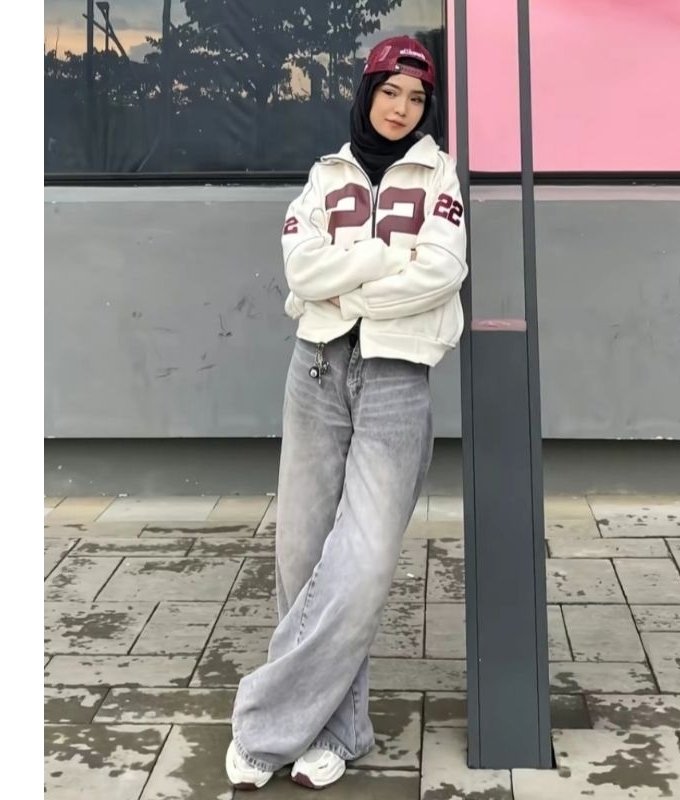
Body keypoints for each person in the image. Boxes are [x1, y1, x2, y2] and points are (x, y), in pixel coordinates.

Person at [226, 35, 468, 791]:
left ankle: (264, 727)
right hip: (316, 370)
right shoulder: (325, 173)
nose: (401, 109)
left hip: (396, 377)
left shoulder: (439, 174)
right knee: (301, 557)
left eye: (417, 98)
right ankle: (337, 729)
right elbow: (302, 269)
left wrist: (343, 287)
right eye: (390, 92)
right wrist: (384, 257)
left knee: (359, 566)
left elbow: (442, 271)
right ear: (367, 94)